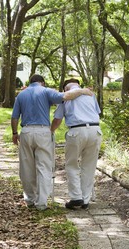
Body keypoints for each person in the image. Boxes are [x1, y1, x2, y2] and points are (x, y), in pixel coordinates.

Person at [11, 74, 93, 211]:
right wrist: (83, 91)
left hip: (25, 131)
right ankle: (42, 203)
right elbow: (66, 96)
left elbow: (14, 117)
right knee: (43, 167)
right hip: (43, 131)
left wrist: (14, 133)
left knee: (26, 167)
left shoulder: (21, 95)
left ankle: (30, 199)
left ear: (30, 82)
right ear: (42, 82)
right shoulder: (46, 91)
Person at [51, 78, 102, 210]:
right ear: (78, 85)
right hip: (95, 130)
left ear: (65, 89)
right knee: (89, 166)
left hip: (76, 131)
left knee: (72, 164)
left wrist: (50, 132)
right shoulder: (90, 94)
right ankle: (85, 199)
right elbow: (97, 113)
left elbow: (57, 120)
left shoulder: (65, 97)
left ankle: (76, 197)